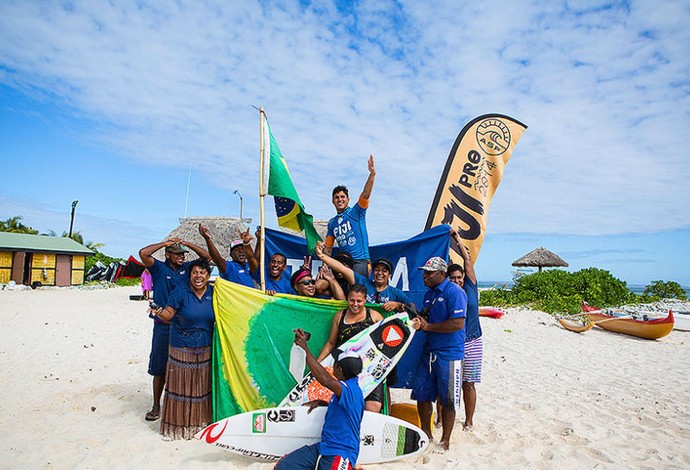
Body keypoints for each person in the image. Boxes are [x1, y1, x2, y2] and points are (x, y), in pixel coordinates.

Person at [139, 238, 210, 422]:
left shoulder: (188, 268)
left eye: (182, 254)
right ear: (168, 255)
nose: (181, 256)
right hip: (164, 325)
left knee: (184, 368)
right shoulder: (159, 268)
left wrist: (188, 243)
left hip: (185, 326)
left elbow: (206, 257)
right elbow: (143, 253)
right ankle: (156, 405)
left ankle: (185, 405)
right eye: (177, 253)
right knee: (159, 367)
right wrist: (164, 243)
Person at [275, 329, 364, 470]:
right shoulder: (346, 390)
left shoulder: (351, 390)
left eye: (335, 362)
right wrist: (325, 404)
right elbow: (344, 411)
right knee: (283, 467)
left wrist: (305, 349)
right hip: (323, 448)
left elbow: (325, 380)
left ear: (339, 369)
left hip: (341, 454)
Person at [153, 258, 215, 440]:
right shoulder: (180, 292)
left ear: (208, 276)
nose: (198, 276)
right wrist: (158, 311)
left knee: (200, 388)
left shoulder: (215, 292)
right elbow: (168, 315)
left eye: (202, 273)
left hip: (205, 346)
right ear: (190, 275)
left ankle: (198, 424)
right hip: (181, 346)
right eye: (194, 272)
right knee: (180, 387)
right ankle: (178, 427)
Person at [411, 256, 467, 452]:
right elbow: (425, 318)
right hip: (429, 352)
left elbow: (457, 323)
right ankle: (426, 434)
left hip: (449, 354)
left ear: (442, 274)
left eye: (429, 273)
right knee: (422, 394)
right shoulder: (429, 293)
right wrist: (417, 319)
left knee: (448, 399)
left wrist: (429, 326)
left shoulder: (455, 292)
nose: (425, 276)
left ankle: (445, 440)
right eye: (424, 272)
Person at [316, 283, 385, 412]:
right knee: (344, 406)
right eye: (352, 300)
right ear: (347, 299)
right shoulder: (339, 317)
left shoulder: (375, 317)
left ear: (365, 300)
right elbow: (331, 343)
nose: (355, 304)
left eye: (359, 301)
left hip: (369, 369)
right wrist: (318, 363)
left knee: (372, 408)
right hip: (345, 370)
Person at [448, 229, 482, 431]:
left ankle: (469, 421)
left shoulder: (470, 288)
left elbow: (467, 262)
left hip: (473, 341)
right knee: (448, 385)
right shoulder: (447, 294)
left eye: (459, 277)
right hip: (453, 342)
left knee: (468, 384)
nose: (456, 280)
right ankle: (442, 419)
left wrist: (457, 240)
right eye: (452, 278)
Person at [315, 241, 410, 312]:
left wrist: (397, 305)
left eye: (384, 271)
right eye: (377, 270)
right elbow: (341, 268)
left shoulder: (396, 293)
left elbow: (412, 309)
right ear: (373, 272)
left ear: (390, 275)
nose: (380, 273)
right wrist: (321, 255)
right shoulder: (362, 282)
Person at [325, 155, 376, 277]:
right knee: (322, 285)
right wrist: (324, 266)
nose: (340, 200)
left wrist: (372, 174)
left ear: (348, 199)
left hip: (361, 262)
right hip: (343, 263)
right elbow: (328, 249)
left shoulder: (356, 212)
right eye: (336, 197)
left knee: (354, 292)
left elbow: (365, 194)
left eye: (342, 197)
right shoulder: (332, 223)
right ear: (332, 201)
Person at [248, 227, 294, 294]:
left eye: (279, 263)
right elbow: (254, 261)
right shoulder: (262, 278)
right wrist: (259, 240)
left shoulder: (288, 286)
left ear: (284, 267)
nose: (275, 265)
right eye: (273, 262)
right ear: (269, 264)